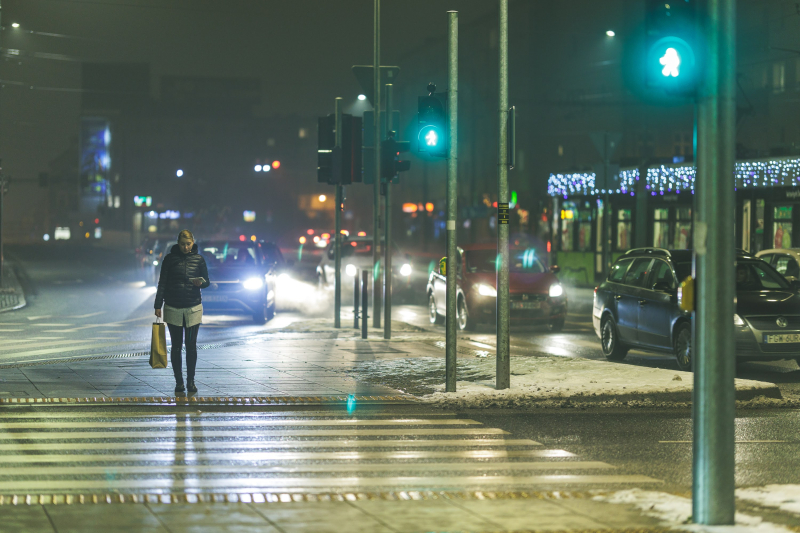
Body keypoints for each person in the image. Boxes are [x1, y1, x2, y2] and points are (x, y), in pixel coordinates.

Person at [154, 230, 210, 394]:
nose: (186, 247)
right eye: (183, 244)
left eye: (188, 244)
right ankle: (179, 382)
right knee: (176, 346)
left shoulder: (199, 259)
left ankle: (191, 381)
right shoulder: (169, 259)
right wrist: (158, 305)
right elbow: (162, 283)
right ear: (178, 243)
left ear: (193, 242)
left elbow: (207, 281)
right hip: (173, 307)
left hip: (193, 307)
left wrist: (200, 283)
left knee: (191, 346)